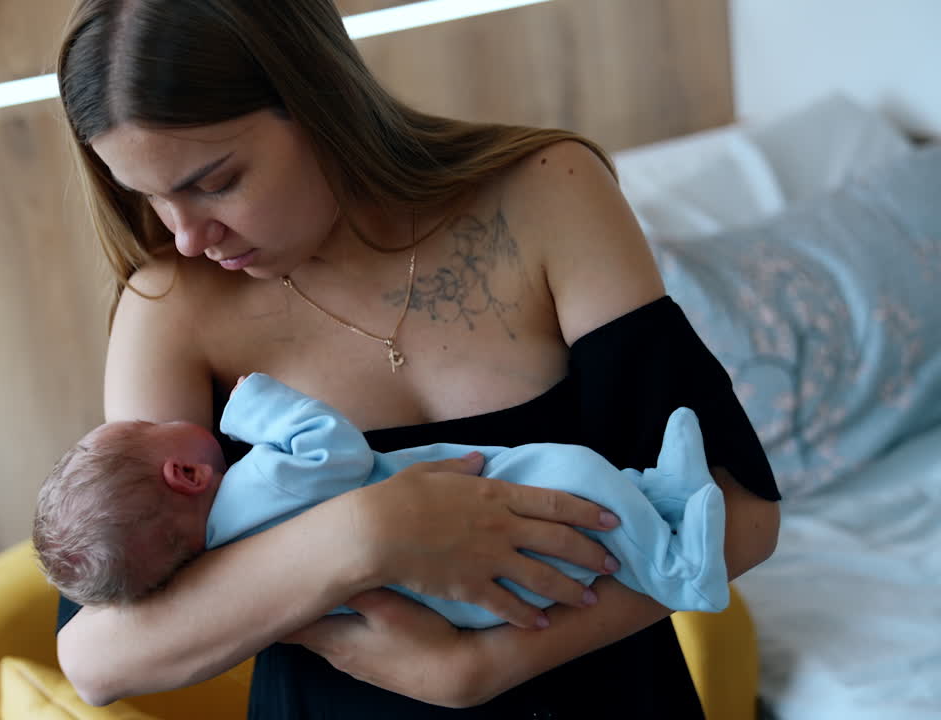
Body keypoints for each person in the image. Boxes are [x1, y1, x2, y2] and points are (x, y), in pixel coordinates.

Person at [53, 0, 781, 715]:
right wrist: (370, 533)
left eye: (214, 182)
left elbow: (741, 512)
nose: (184, 235)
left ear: (318, 101)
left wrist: (478, 668)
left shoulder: (546, 195)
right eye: (145, 196)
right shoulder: (171, 308)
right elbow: (101, 657)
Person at [35, 372, 730, 627]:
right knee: (572, 478)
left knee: (579, 494)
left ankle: (660, 499)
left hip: (461, 601)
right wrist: (253, 405)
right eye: (155, 429)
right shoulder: (260, 484)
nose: (169, 417)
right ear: (186, 476)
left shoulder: (231, 560)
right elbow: (339, 450)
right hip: (497, 550)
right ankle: (680, 571)